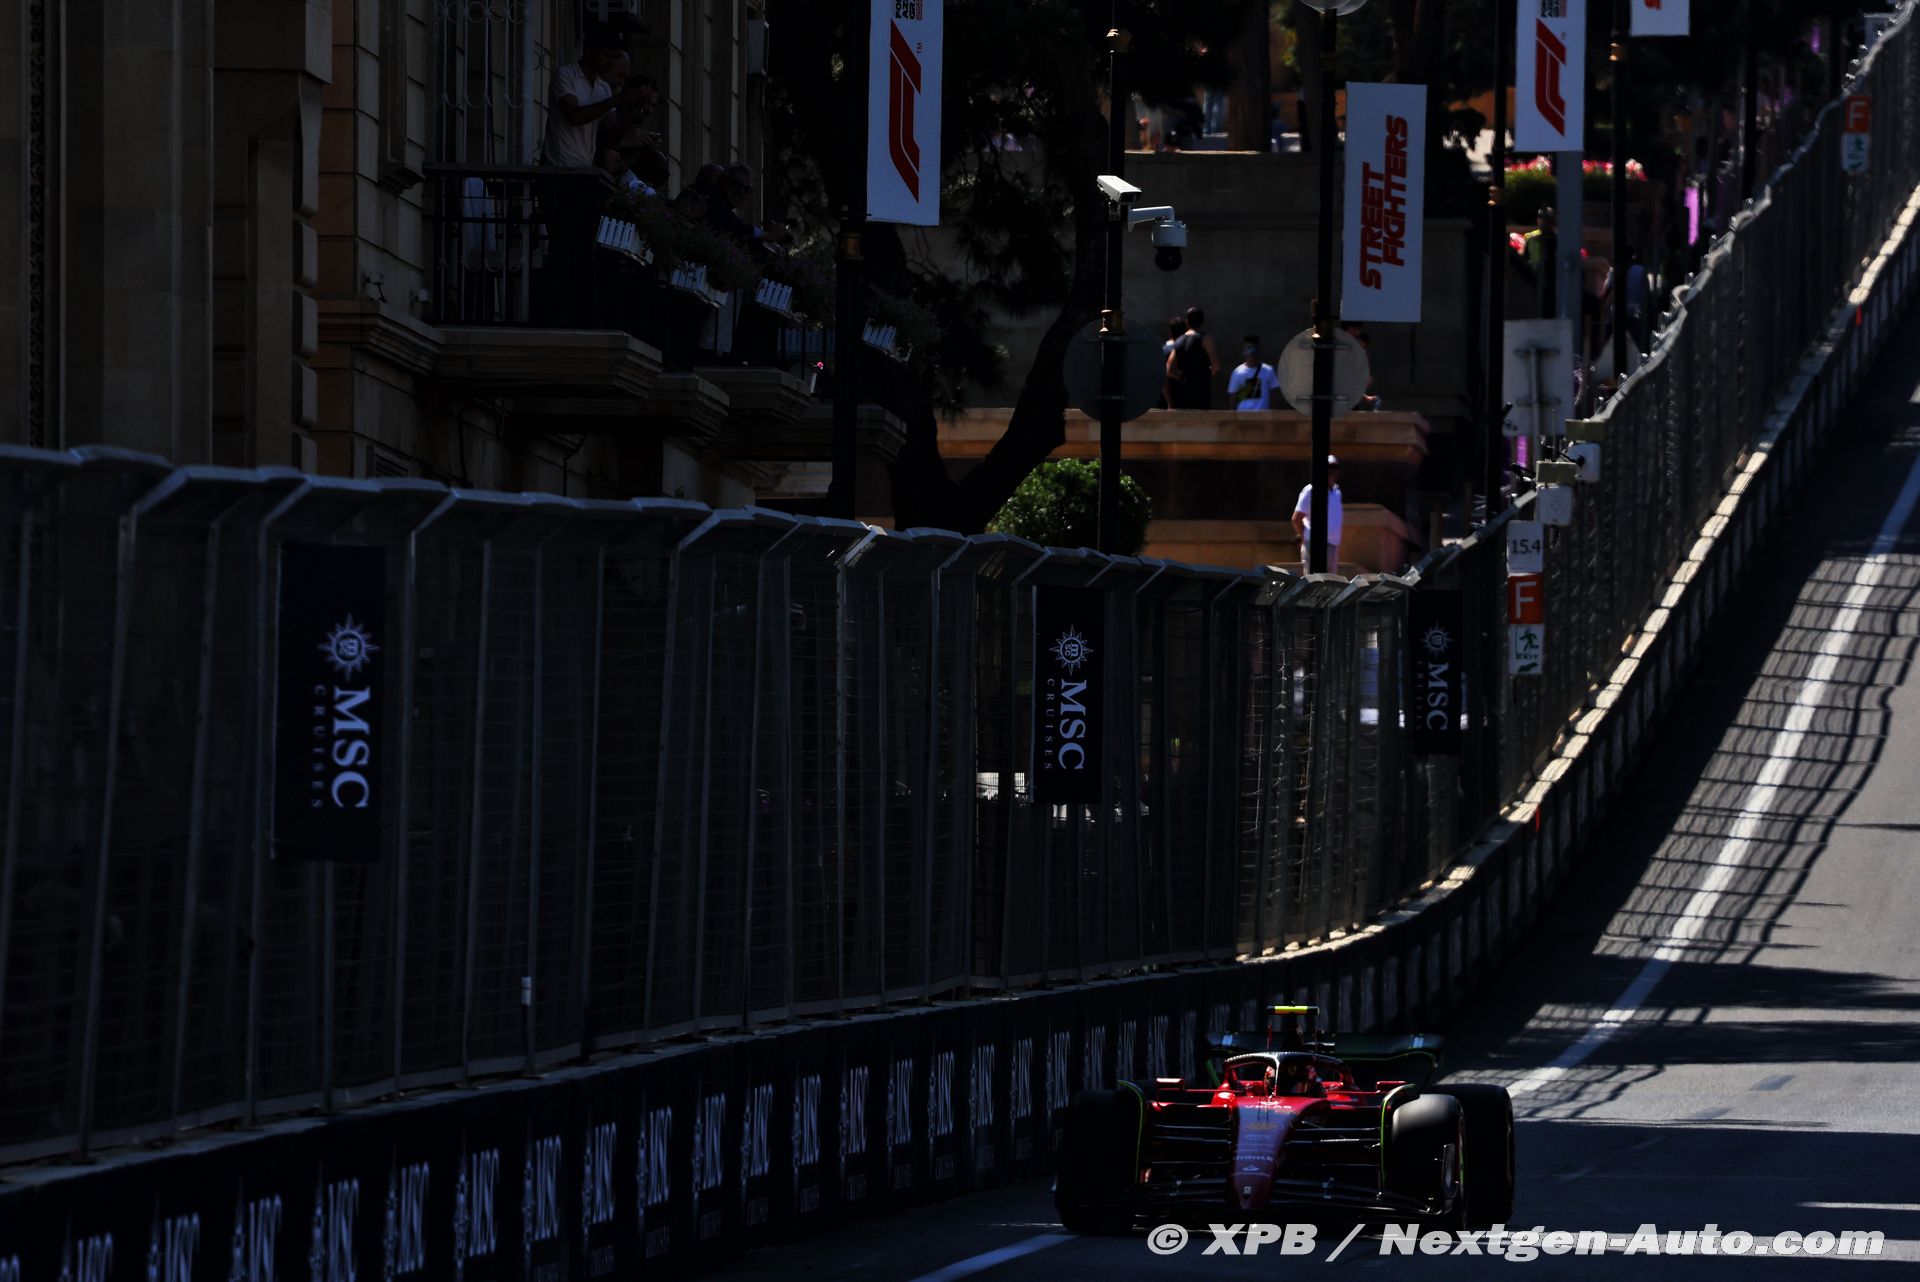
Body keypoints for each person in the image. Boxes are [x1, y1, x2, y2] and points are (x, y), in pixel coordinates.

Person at [539, 25, 652, 321]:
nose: (609, 63)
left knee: (581, 250)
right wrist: (617, 100)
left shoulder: (602, 88)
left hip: (584, 178)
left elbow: (611, 133)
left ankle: (576, 313)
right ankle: (555, 313)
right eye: (606, 56)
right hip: (559, 174)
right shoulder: (566, 76)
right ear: (590, 51)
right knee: (562, 247)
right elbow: (575, 115)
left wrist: (635, 114)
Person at [1291, 454, 1344, 574]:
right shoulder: (1310, 490)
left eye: (1334, 468)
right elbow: (1296, 518)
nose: (1331, 471)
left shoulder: (1337, 492)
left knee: (1331, 582)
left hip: (1333, 545)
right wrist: (1303, 537)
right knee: (1314, 581)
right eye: (1328, 468)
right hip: (1314, 544)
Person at [1165, 307, 1219, 409]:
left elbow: (1169, 369)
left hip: (1183, 392)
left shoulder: (1179, 341)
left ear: (1187, 321)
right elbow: (1215, 365)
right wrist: (1207, 374)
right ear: (1202, 321)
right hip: (1201, 391)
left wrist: (1182, 378)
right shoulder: (1205, 338)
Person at [1227, 334, 1279, 411]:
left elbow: (1274, 397)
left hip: (1264, 415)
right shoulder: (1237, 372)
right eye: (1248, 348)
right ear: (1243, 351)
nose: (1251, 351)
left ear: (1259, 350)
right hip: (1243, 415)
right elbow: (1233, 399)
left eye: (1255, 348)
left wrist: (1272, 415)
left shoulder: (1269, 370)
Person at [1160, 315, 1186, 409]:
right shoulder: (1185, 349)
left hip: (1166, 400)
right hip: (1181, 398)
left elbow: (1162, 379)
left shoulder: (1164, 350)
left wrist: (1169, 402)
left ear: (1170, 332)